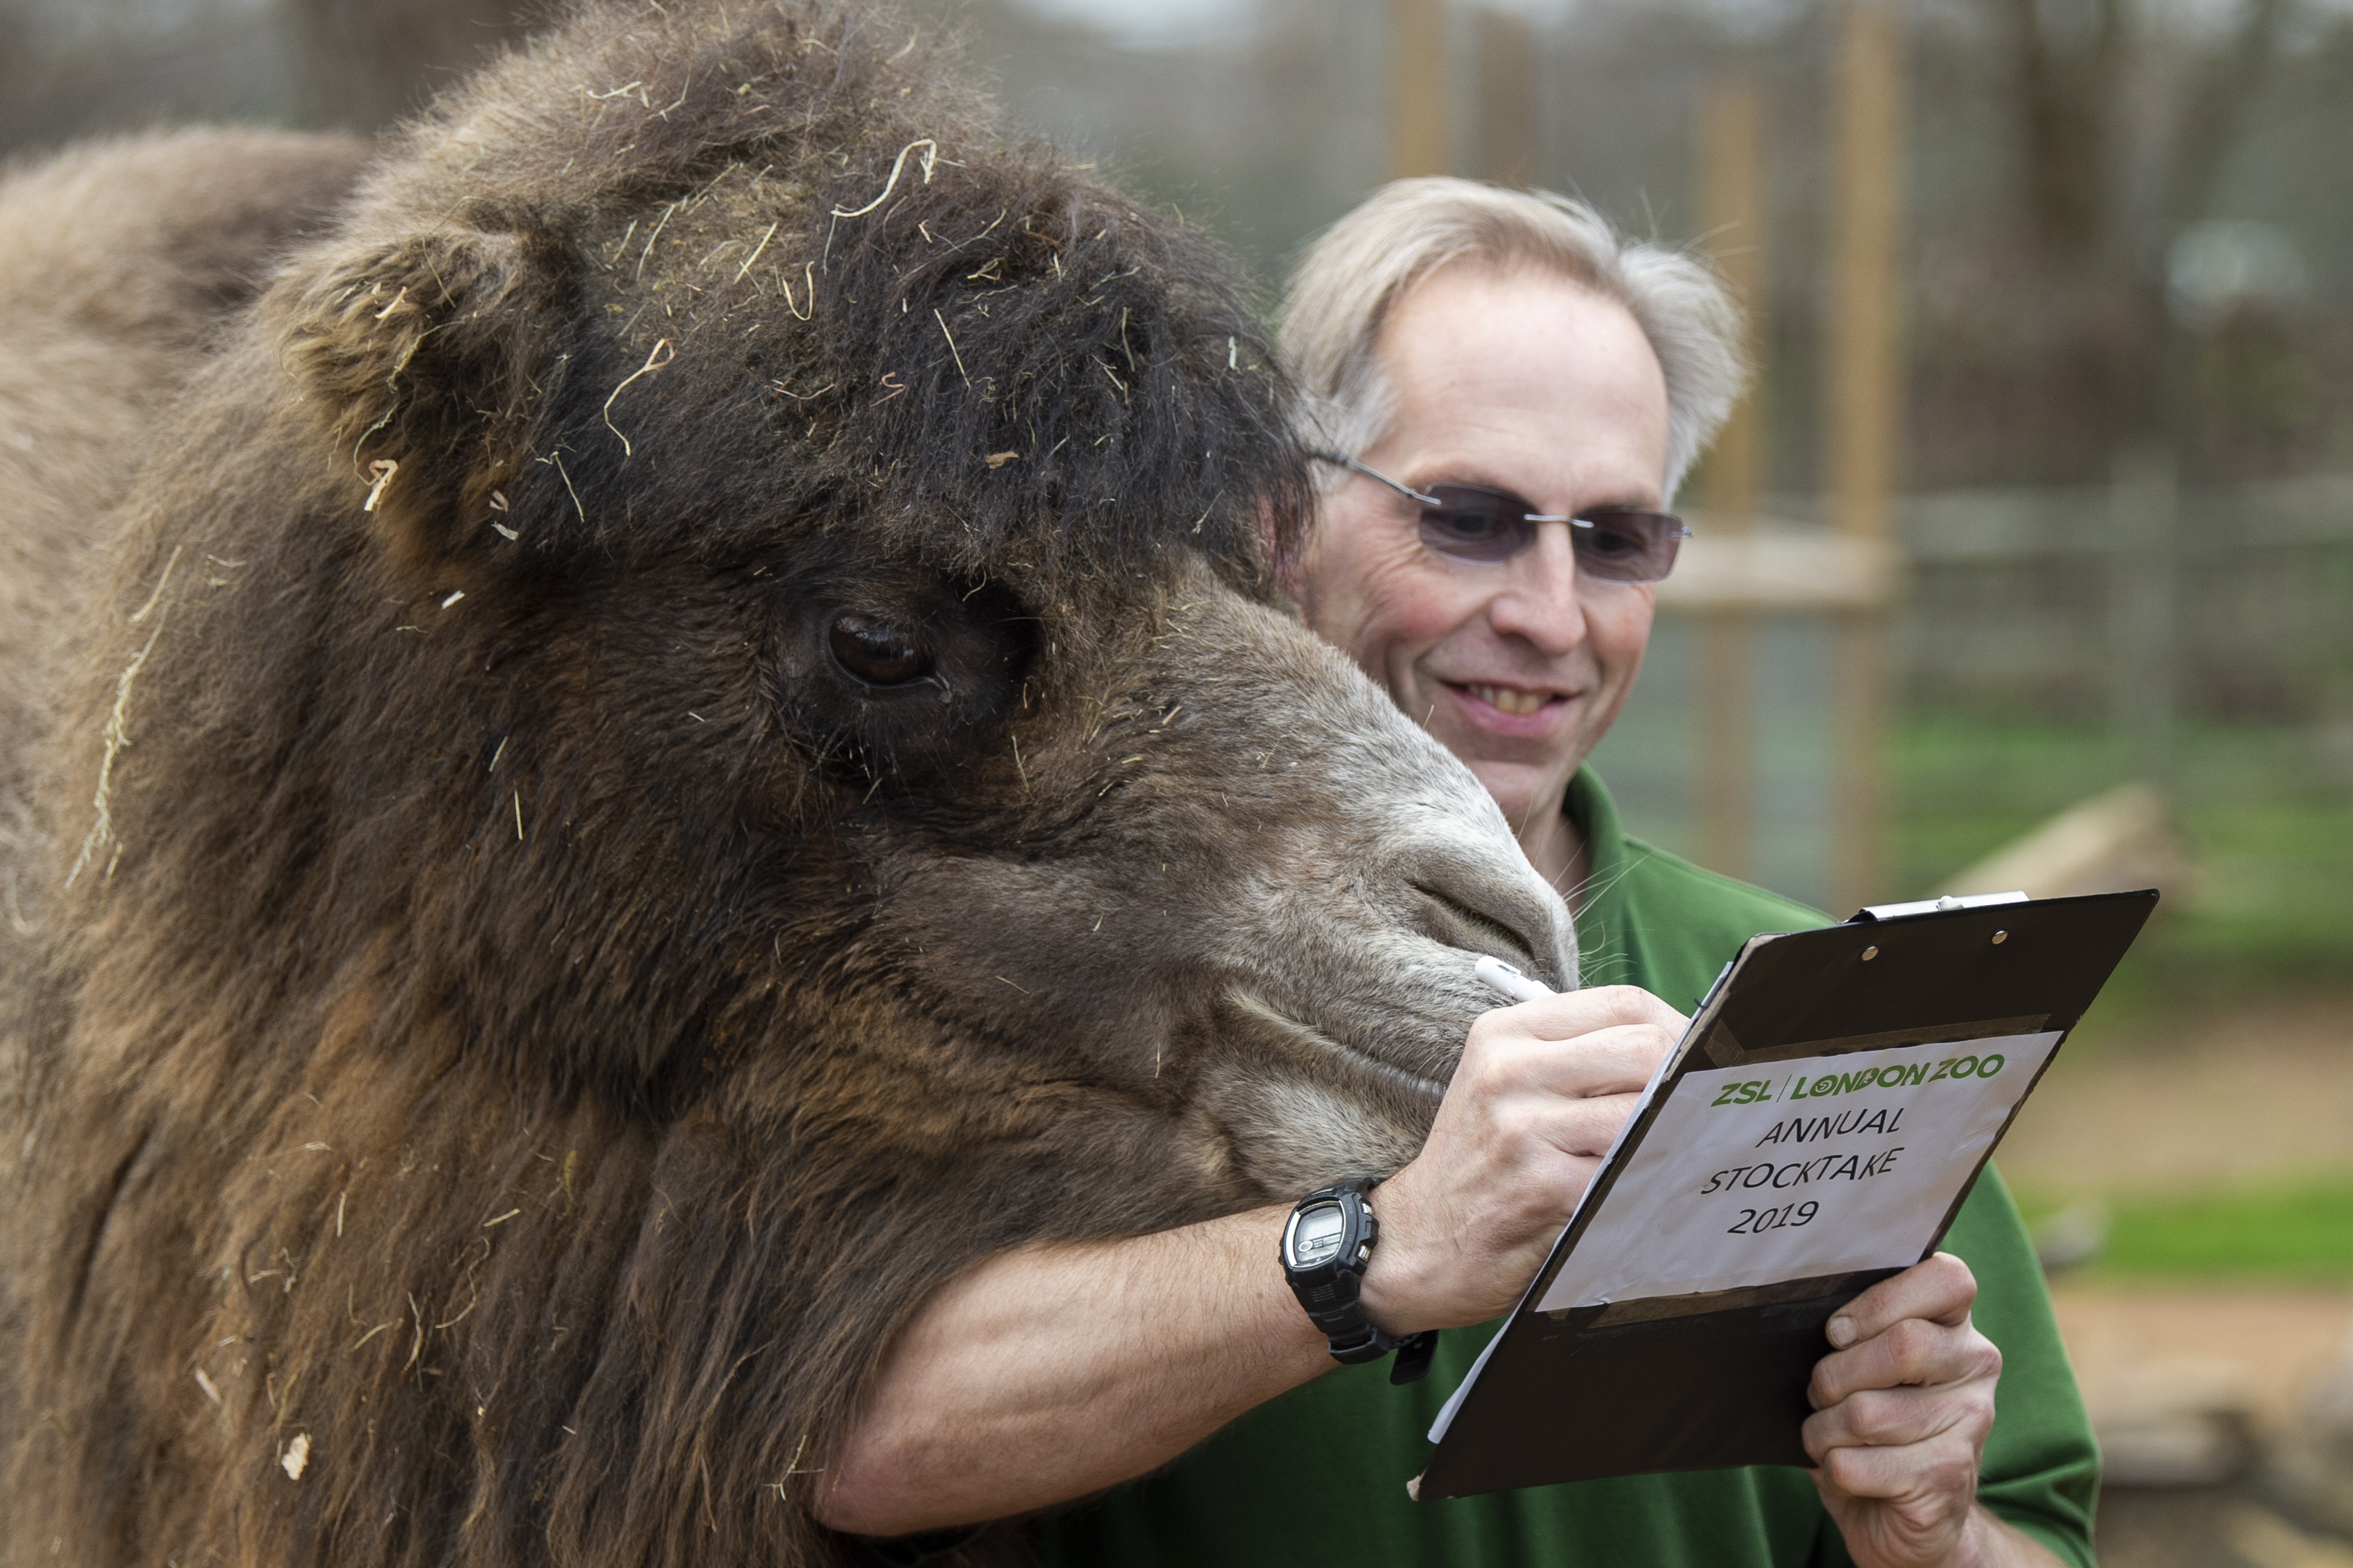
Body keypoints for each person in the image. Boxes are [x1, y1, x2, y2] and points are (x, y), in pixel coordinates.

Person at [816, 180, 2098, 1568]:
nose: (1550, 616)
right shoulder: (1055, 962)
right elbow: (836, 1442)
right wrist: (1371, 1249)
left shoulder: (1830, 1021)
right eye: (1470, 517)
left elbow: (2036, 1537)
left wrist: (1935, 1531)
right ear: (1277, 524)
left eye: (1614, 538)